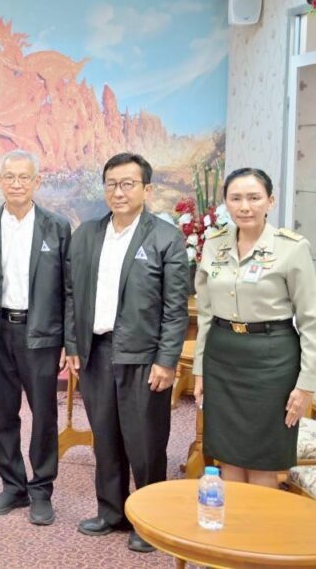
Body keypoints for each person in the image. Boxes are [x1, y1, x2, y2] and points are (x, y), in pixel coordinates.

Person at [64, 152, 189, 554]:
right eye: (112, 184)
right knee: (105, 437)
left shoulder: (165, 237)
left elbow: (176, 309)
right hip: (96, 352)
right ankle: (111, 511)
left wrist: (167, 360)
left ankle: (149, 520)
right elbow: (71, 295)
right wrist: (72, 344)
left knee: (145, 442)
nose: (119, 192)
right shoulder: (87, 235)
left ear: (146, 189)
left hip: (144, 356)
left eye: (128, 184)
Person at [193, 167, 316, 487]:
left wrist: (307, 384)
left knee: (264, 460)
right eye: (236, 198)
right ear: (226, 203)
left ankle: (262, 521)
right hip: (222, 357)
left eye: (254, 198)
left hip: (272, 361)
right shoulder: (214, 245)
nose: (244, 206)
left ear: (270, 201)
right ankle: (233, 519)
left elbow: (311, 320)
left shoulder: (292, 248)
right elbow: (205, 313)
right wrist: (199, 369)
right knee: (228, 456)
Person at [0, 150, 70, 525]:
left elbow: (69, 290)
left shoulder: (57, 227)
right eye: (9, 177)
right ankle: (13, 486)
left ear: (37, 181)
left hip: (41, 334)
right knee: (3, 414)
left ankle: (42, 489)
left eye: (24, 177)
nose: (16, 184)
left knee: (44, 415)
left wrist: (68, 341)